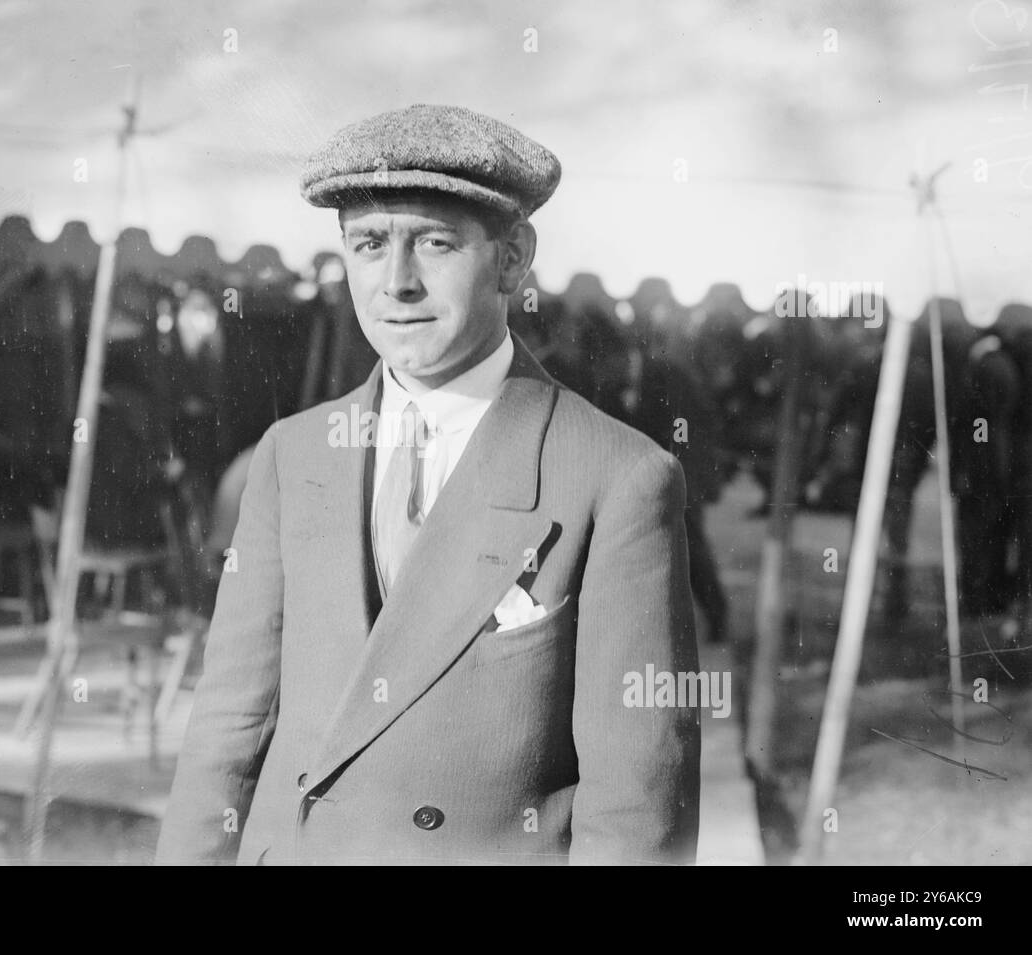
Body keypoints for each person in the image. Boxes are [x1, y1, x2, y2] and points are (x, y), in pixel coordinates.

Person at [156, 104, 700, 865]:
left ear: (513, 259)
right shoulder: (293, 454)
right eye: (369, 245)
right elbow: (226, 729)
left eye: (435, 243)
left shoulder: (617, 476)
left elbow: (637, 806)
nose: (397, 283)